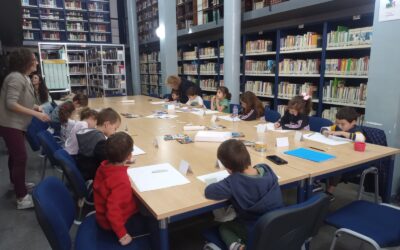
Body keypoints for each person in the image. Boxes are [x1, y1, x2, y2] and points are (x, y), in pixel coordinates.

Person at [205, 139, 283, 250]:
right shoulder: (267, 169)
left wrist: (230, 177)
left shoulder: (232, 183)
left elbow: (209, 191)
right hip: (280, 223)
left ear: (228, 169)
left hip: (255, 230)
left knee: (224, 227)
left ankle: (239, 247)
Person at [0, 49, 50, 209]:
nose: (36, 62)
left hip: (17, 124)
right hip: (10, 124)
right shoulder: (15, 78)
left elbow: (23, 100)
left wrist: (35, 106)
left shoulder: (23, 77)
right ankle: (21, 198)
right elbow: (11, 103)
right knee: (20, 157)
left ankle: (16, 184)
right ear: (25, 62)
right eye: (34, 59)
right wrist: (36, 114)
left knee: (15, 157)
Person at [94, 132, 149, 246]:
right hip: (115, 223)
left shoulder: (104, 165)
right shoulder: (120, 181)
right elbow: (112, 211)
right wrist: (122, 234)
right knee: (153, 222)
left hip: (101, 214)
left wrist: (124, 161)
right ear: (129, 155)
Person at [321, 107, 366, 200]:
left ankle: (330, 191)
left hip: (351, 158)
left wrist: (341, 133)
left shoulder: (356, 129)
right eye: (338, 123)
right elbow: (323, 128)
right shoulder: (337, 126)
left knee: (337, 166)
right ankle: (315, 183)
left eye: (343, 124)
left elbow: (361, 138)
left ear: (353, 122)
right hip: (338, 153)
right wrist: (326, 131)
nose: (339, 126)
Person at [76, 108, 121, 180]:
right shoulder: (99, 140)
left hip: (83, 170)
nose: (115, 132)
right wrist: (122, 158)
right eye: (115, 128)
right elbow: (108, 161)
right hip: (92, 177)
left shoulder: (90, 132)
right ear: (107, 124)